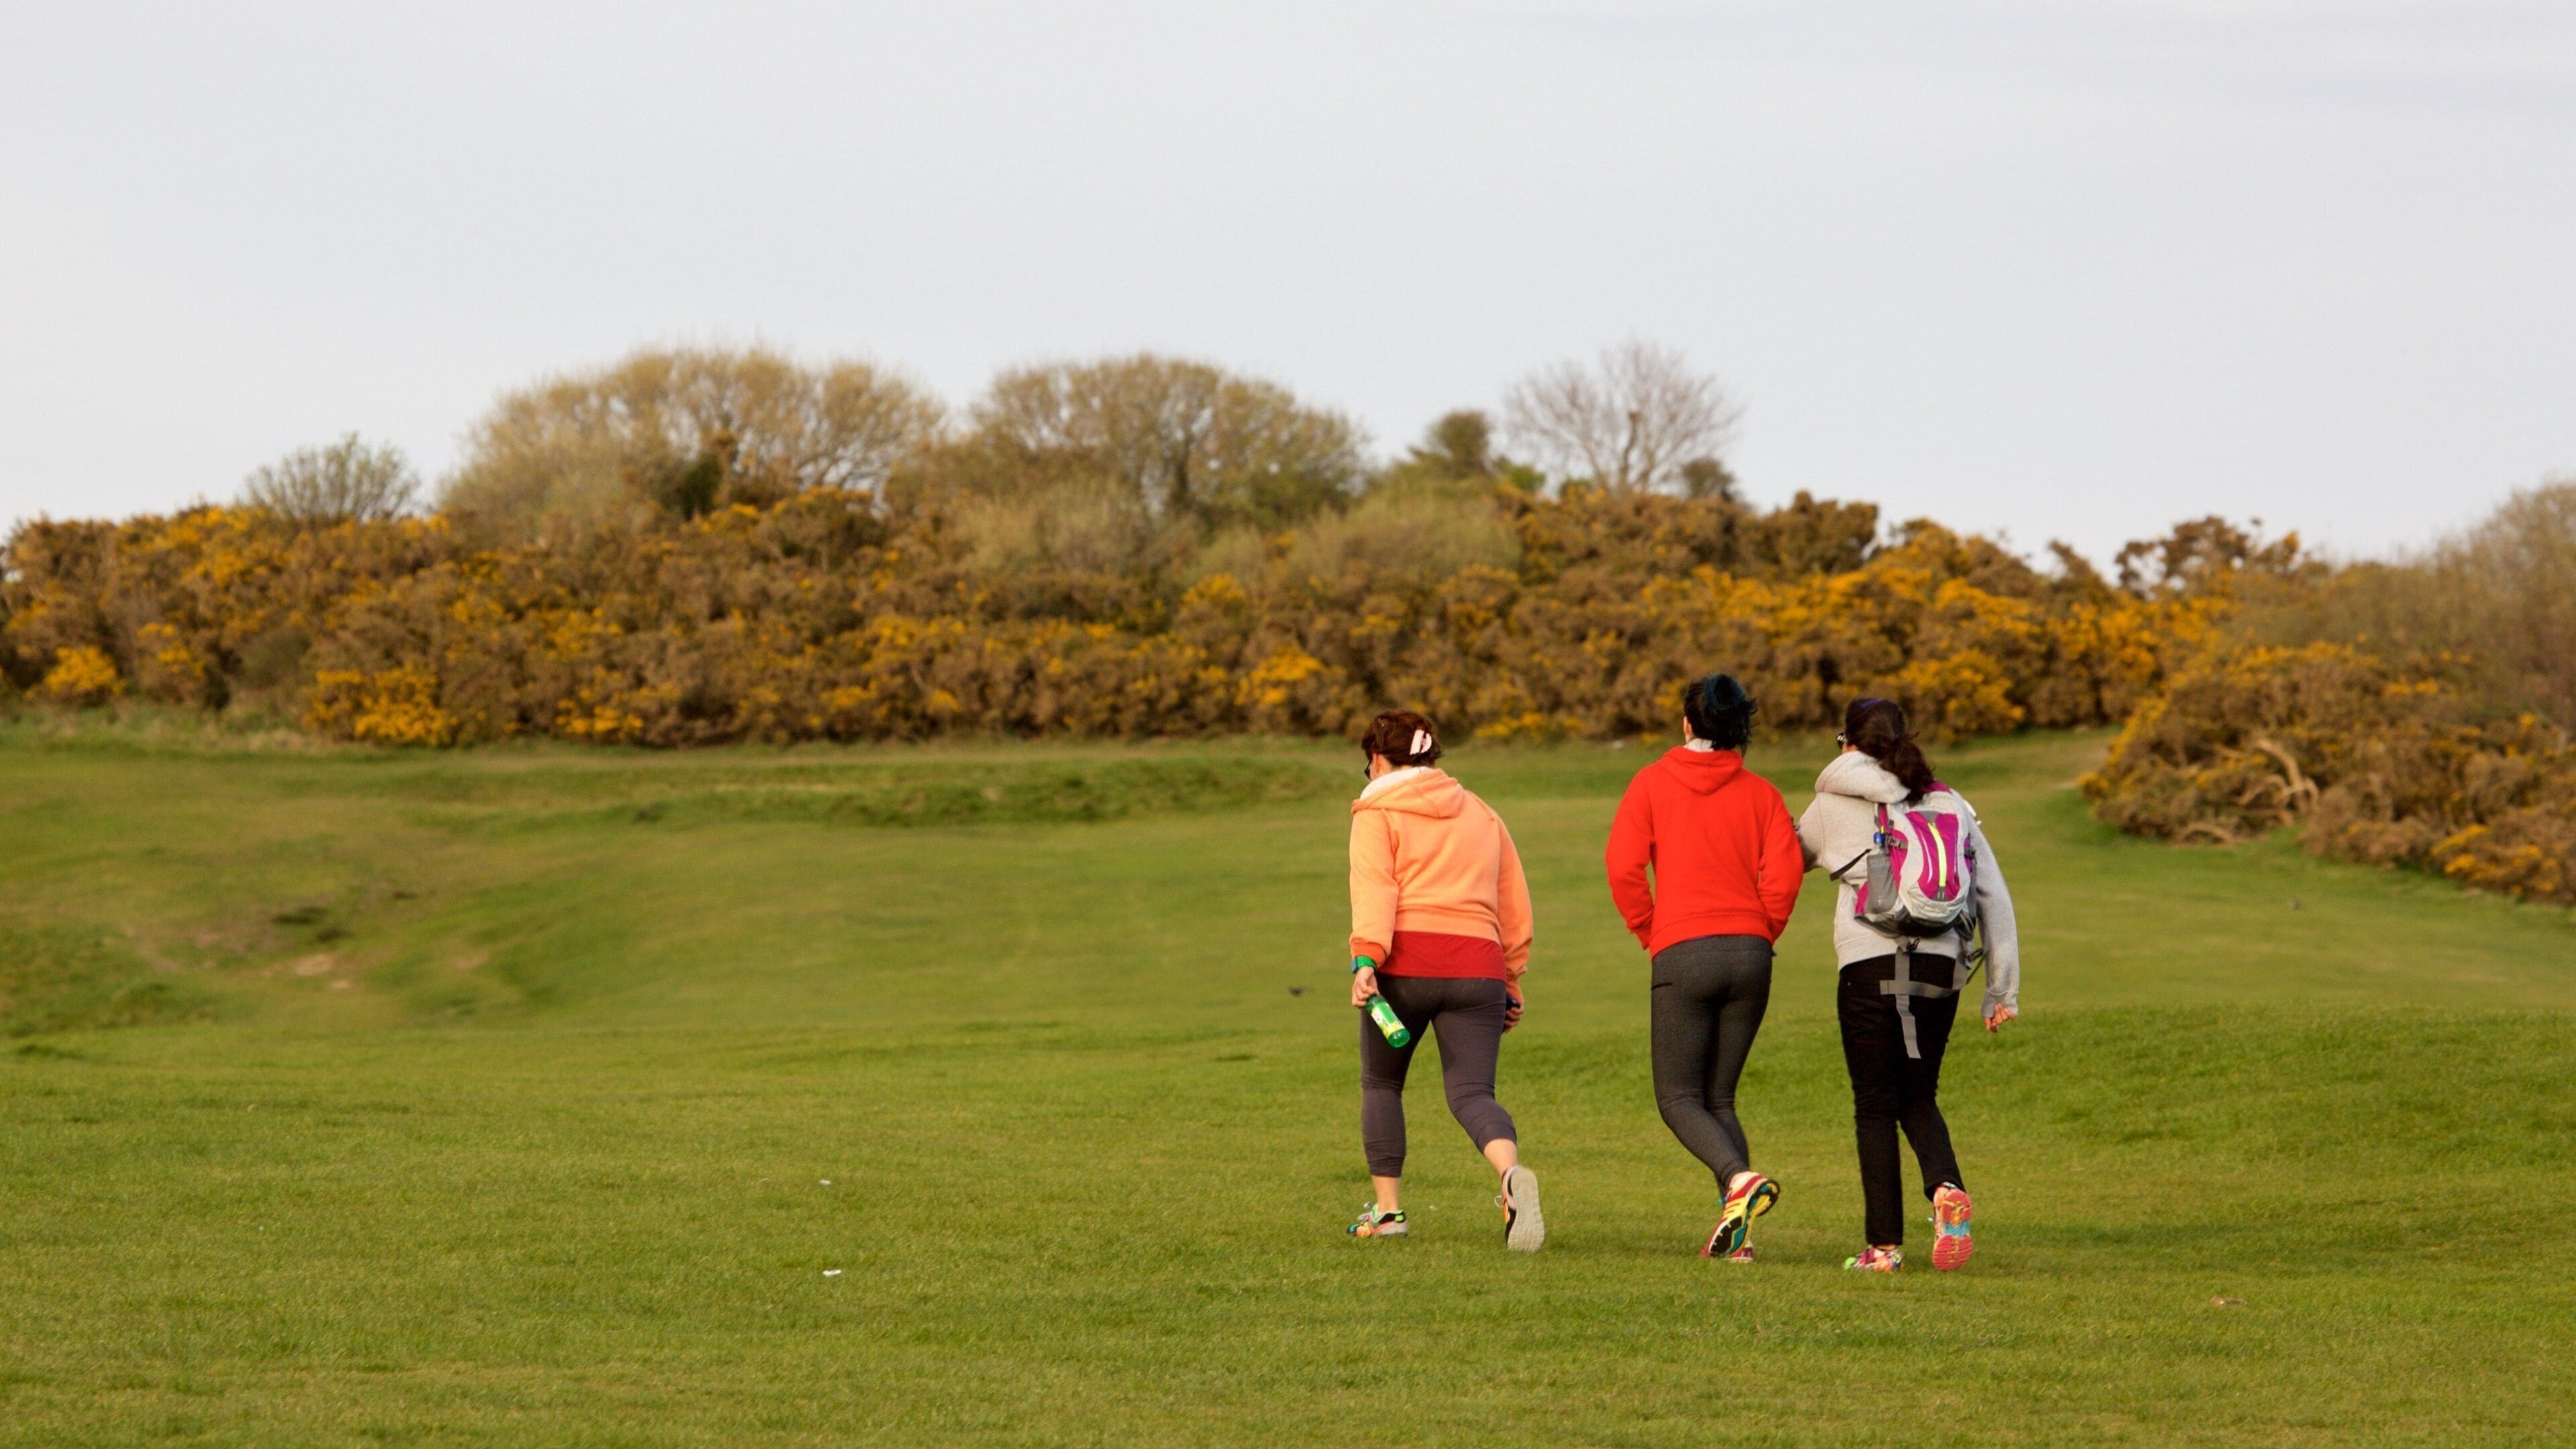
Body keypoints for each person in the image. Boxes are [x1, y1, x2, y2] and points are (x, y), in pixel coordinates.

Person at [1796, 697, 2020, 1273]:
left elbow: (1780, 864)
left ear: (1846, 742)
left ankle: (1884, 1248)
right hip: (1943, 969)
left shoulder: (1830, 801)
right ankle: (1947, 1193)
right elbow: (1993, 895)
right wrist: (2001, 991)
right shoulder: (1949, 801)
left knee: (1874, 1103)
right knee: (1917, 1096)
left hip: (1869, 964)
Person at [1605, 674, 1805, 1261]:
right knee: (1719, 1099)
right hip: (1751, 952)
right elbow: (1786, 875)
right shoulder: (1763, 794)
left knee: (1678, 1099)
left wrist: (1650, 929)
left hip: (1683, 949)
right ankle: (1738, 1238)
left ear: (1688, 723)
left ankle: (1738, 1183)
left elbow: (1622, 867)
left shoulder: (1650, 783)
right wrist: (1761, 930)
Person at [1344, 710, 1544, 1251]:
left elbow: (1375, 890)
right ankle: (1509, 1178)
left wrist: (1366, 961)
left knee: (1383, 1084)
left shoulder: (1375, 810)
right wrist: (1512, 978)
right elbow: (1513, 902)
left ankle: (1388, 1214)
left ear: (1379, 760)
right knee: (1473, 1093)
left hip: (1406, 965)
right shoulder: (1482, 813)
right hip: (1479, 967)